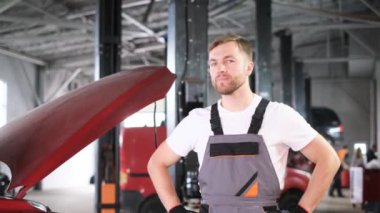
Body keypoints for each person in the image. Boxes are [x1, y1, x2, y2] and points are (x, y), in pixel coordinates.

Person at [147, 34, 340, 213]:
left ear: (249, 67)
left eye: (229, 61)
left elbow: (329, 159)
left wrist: (303, 210)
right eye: (214, 63)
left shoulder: (279, 115)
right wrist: (174, 209)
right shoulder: (198, 120)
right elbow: (156, 163)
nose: (220, 68)